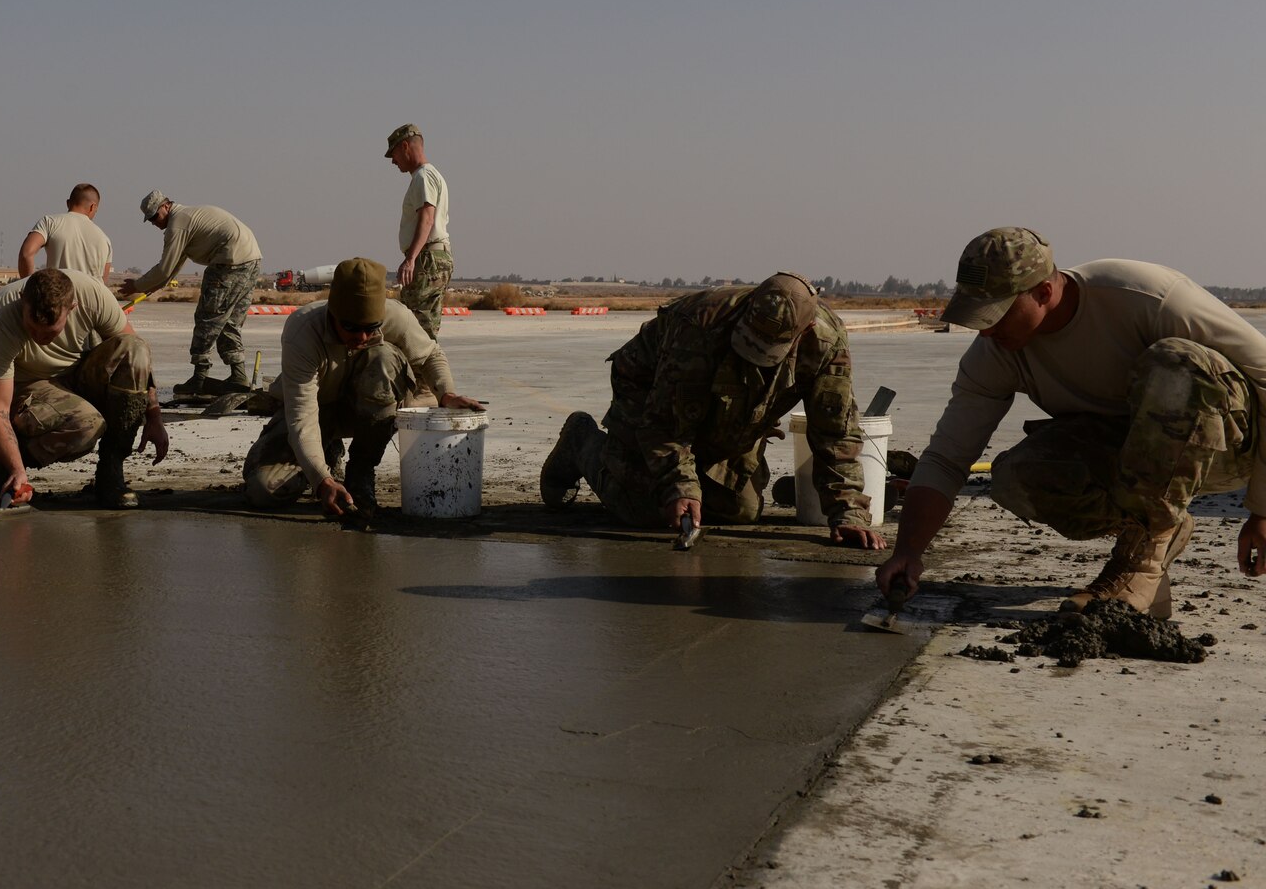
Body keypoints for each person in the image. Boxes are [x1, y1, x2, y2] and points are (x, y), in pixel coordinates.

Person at [876, 228, 1266, 619]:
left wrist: (1262, 510)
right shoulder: (994, 352)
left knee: (1177, 364)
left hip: (1227, 446)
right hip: (1133, 455)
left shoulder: (1144, 295)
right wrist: (908, 552)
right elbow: (947, 456)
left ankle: (1140, 564)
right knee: (1018, 476)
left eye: (997, 315)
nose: (987, 330)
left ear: (1044, 293)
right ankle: (1153, 535)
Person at [540, 273, 882, 547]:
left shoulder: (826, 343)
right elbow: (663, 423)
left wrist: (847, 513)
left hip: (733, 412)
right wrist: (680, 486)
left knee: (743, 512)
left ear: (803, 333)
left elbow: (834, 432)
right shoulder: (699, 327)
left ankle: (694, 480)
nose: (754, 354)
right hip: (646, 393)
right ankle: (582, 442)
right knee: (646, 510)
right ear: (747, 312)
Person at [244, 257, 483, 517]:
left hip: (366, 412)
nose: (362, 337)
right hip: (316, 414)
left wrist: (446, 393)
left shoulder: (396, 316)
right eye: (351, 328)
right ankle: (326, 453)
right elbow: (302, 417)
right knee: (264, 491)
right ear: (333, 314)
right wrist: (321, 480)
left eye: (371, 329)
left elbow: (430, 355)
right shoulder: (303, 332)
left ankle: (360, 473)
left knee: (385, 358)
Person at [0, 267, 166, 508]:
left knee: (135, 348)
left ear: (72, 308)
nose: (38, 337)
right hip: (29, 386)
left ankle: (111, 472)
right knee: (88, 425)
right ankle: (9, 466)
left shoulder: (93, 295)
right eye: (32, 328)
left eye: (49, 332)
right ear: (21, 303)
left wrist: (154, 416)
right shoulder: (1, 315)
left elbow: (136, 357)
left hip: (78, 374)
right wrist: (16, 468)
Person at [123, 191, 263, 396]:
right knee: (228, 320)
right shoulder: (188, 217)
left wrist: (137, 285)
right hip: (251, 259)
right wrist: (153, 286)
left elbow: (164, 268)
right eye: (150, 219)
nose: (154, 223)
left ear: (165, 206)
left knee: (207, 318)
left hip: (229, 261)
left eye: (155, 217)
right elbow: (173, 266)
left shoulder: (178, 223)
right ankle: (238, 375)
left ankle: (199, 378)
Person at [384, 123, 454, 337]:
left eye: (394, 154)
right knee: (424, 329)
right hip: (433, 256)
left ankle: (423, 370)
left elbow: (427, 218)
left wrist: (411, 258)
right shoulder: (430, 175)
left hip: (426, 258)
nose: (394, 161)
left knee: (415, 332)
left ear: (405, 146)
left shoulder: (423, 177)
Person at [16, 183, 112, 281]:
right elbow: (102, 285)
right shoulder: (105, 239)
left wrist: (29, 288)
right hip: (91, 296)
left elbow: (26, 254)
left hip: (57, 295)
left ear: (68, 203)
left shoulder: (49, 223)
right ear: (93, 207)